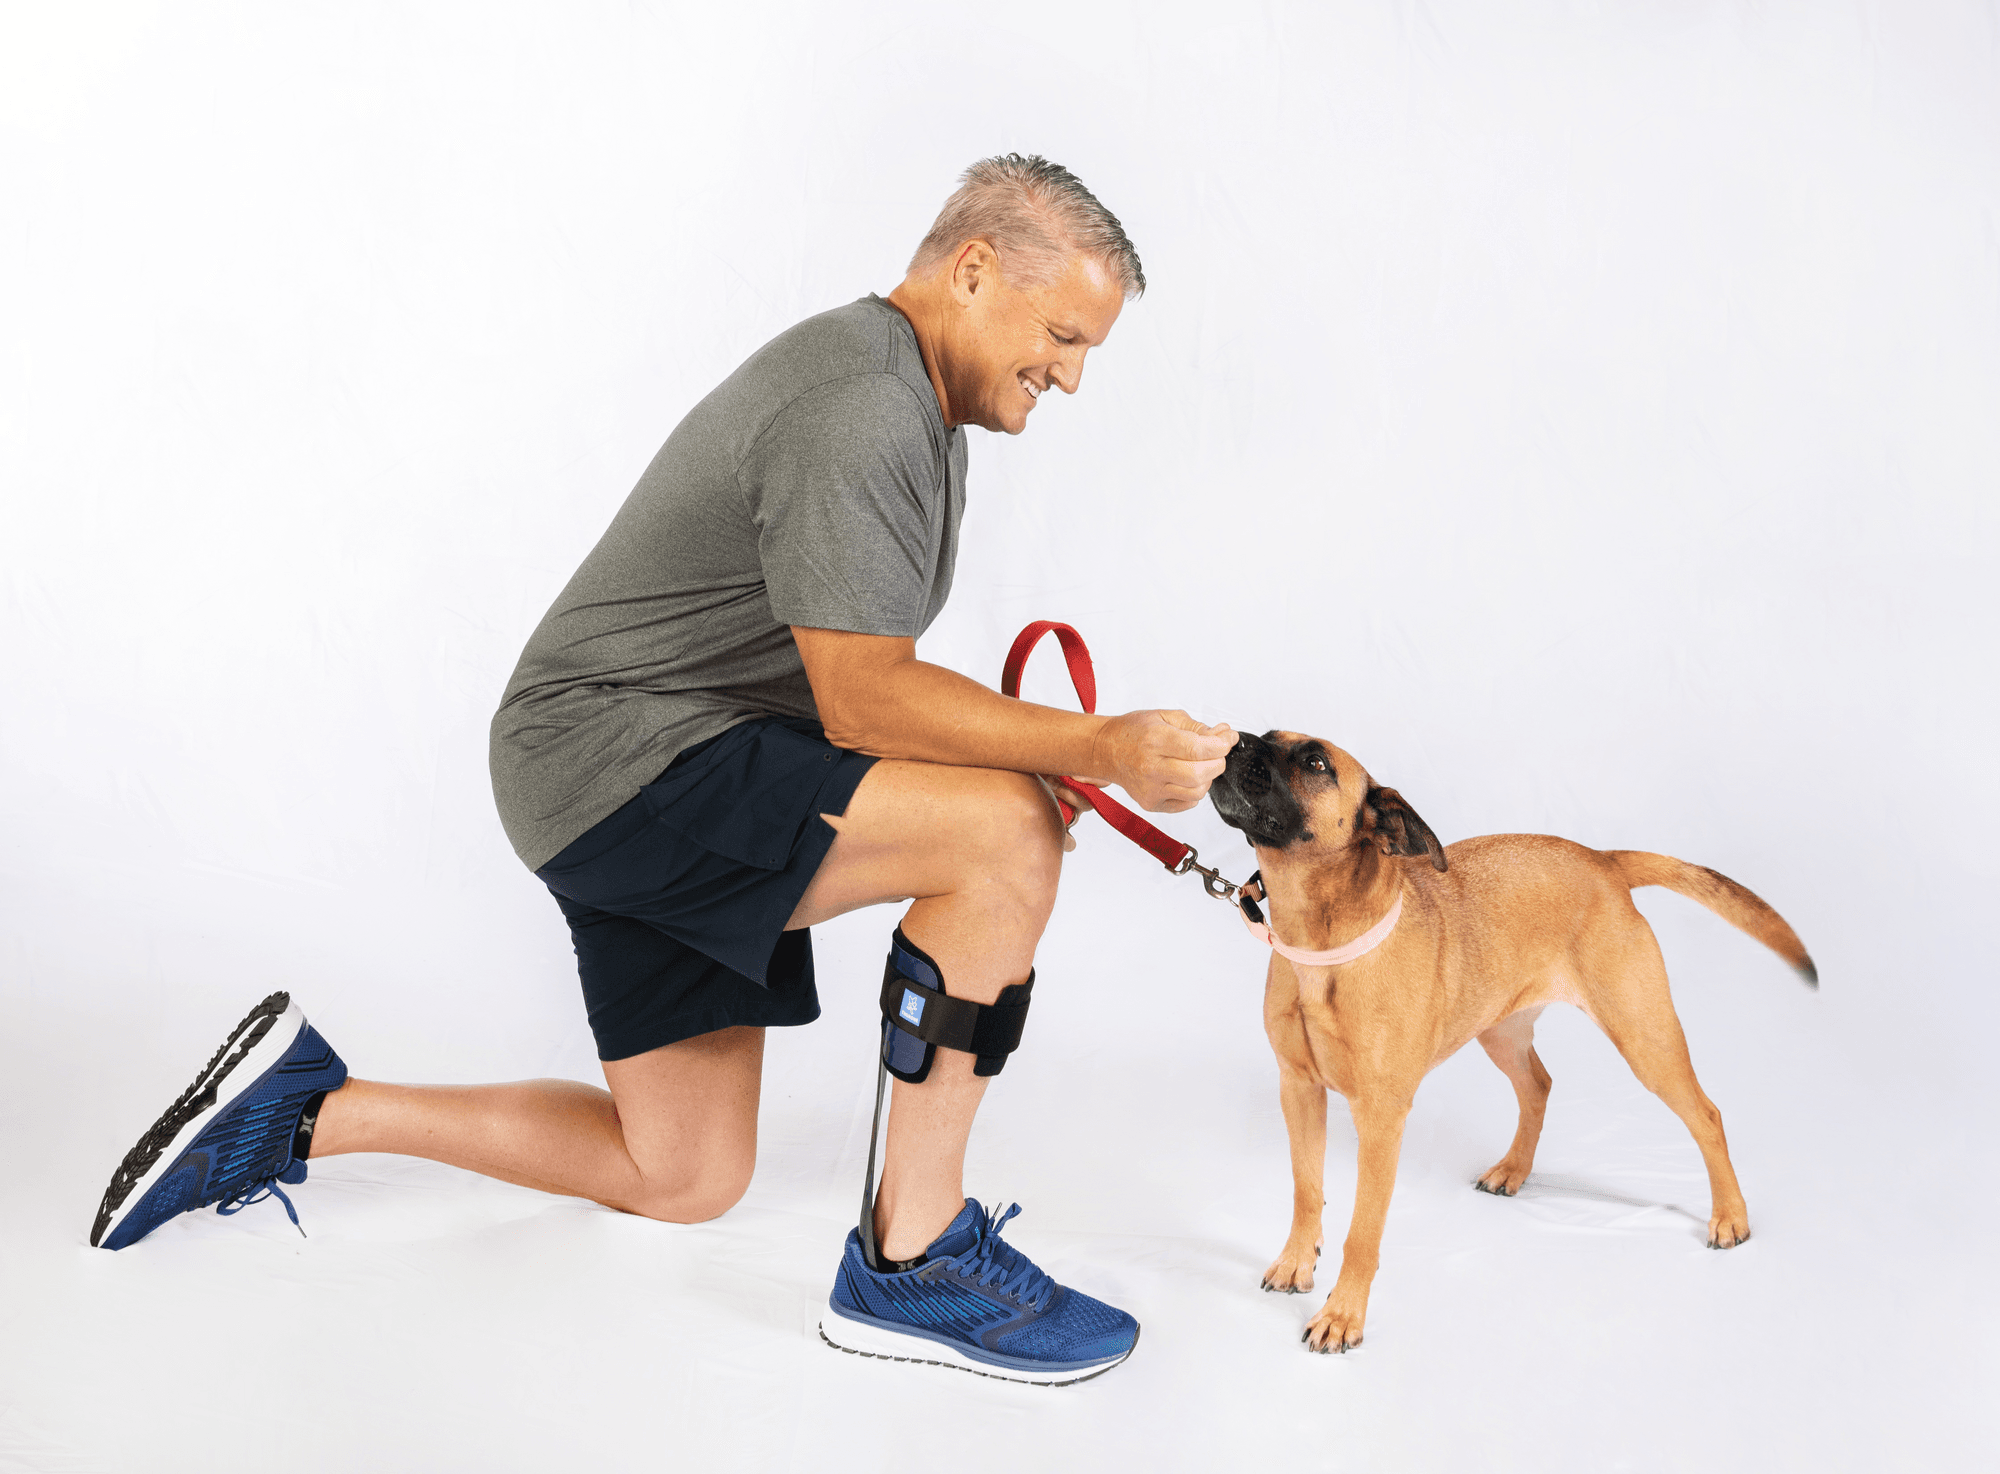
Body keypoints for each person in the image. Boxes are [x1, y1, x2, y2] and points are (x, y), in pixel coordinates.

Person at [87, 154, 1236, 1385]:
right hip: (620, 758)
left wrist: (1030, 754)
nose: (1069, 373)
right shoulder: (860, 403)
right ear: (971, 270)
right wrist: (1091, 748)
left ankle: (305, 1108)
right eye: (1061, 336)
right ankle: (915, 1255)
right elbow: (861, 699)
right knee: (1006, 832)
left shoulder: (909, 401)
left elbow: (853, 678)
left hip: (638, 760)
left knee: (682, 1172)